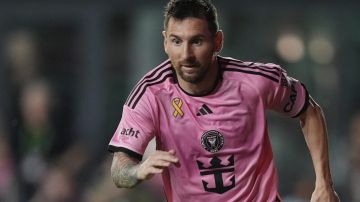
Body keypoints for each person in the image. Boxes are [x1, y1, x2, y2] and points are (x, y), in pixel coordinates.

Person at [108, 0, 340, 201]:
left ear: (217, 41)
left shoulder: (256, 81)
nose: (186, 55)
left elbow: (309, 111)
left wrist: (324, 184)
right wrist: (138, 171)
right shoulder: (150, 94)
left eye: (197, 41)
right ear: (165, 42)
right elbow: (119, 170)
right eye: (176, 41)